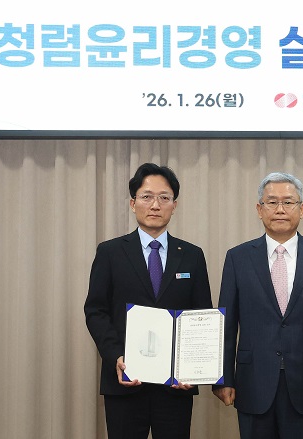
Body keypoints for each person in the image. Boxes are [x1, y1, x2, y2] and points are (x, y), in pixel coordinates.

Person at [212, 172, 303, 439]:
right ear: (259, 209)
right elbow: (226, 325)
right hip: (253, 380)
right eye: (271, 202)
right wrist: (223, 378)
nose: (280, 209)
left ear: (302, 209)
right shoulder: (238, 257)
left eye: (288, 202)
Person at [84, 163, 212, 439]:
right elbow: (96, 311)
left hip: (175, 386)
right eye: (147, 197)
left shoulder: (192, 255)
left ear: (174, 205)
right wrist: (116, 356)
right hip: (125, 381)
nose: (155, 205)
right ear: (133, 203)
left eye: (164, 197)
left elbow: (201, 316)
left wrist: (192, 369)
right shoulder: (110, 252)